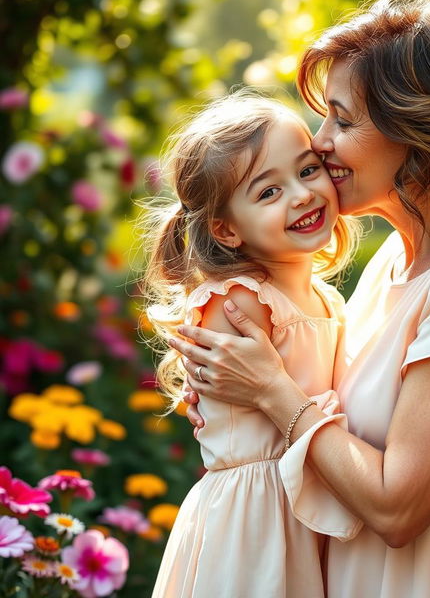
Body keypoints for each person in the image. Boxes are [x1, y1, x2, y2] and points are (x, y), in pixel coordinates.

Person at [173, 0, 430, 597]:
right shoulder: (394, 259)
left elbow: (398, 508)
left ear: (421, 127)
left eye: (343, 119)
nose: (319, 141)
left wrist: (272, 390)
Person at [144, 91, 363, 598]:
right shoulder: (239, 301)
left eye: (308, 171)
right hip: (255, 518)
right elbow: (215, 389)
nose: (302, 195)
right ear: (226, 230)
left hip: (312, 500)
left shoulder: (327, 299)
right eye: (268, 193)